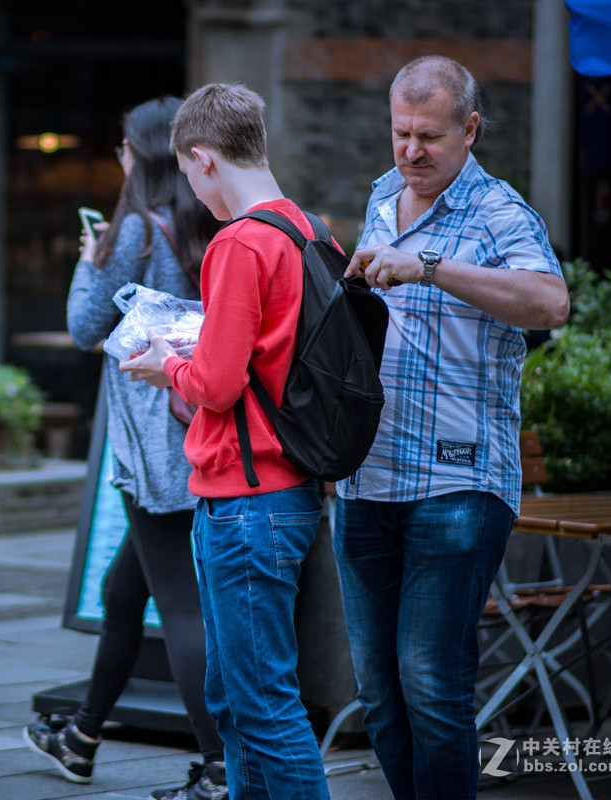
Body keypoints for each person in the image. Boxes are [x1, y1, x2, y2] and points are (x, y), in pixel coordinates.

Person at [332, 55, 570, 800]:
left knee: (431, 684)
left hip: (458, 485)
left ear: (469, 129)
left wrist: (428, 266)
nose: (410, 152)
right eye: (400, 133)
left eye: (429, 136)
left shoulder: (500, 212)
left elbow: (550, 304)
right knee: (378, 693)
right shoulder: (381, 196)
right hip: (366, 479)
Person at [120, 83, 330, 799]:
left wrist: (162, 365)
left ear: (204, 159)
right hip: (289, 487)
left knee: (262, 708)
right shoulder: (309, 230)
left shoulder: (239, 242)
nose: (193, 190)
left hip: (246, 497)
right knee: (243, 703)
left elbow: (213, 383)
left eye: (187, 173)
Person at [21, 96, 226, 800]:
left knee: (180, 606)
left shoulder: (136, 229)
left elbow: (83, 325)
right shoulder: (214, 222)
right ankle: (81, 736)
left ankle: (218, 765)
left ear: (137, 158)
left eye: (120, 148)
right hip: (207, 430)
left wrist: (90, 257)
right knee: (123, 590)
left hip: (156, 450)